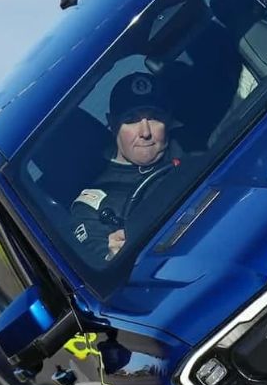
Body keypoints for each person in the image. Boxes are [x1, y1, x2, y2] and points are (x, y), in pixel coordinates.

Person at [69, 72, 183, 265]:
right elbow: (102, 269)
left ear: (169, 120)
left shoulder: (193, 148)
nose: (145, 132)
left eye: (154, 117)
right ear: (112, 124)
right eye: (131, 120)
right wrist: (113, 256)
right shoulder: (92, 205)